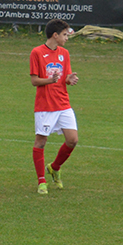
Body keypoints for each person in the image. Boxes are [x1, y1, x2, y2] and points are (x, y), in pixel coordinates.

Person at [30, 19, 79, 195]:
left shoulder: (64, 53)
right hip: (45, 105)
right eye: (64, 35)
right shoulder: (37, 52)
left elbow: (65, 77)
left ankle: (54, 167)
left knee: (72, 140)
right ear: (55, 35)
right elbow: (34, 80)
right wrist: (50, 80)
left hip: (63, 103)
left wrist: (69, 79)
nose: (66, 38)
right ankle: (41, 181)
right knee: (41, 142)